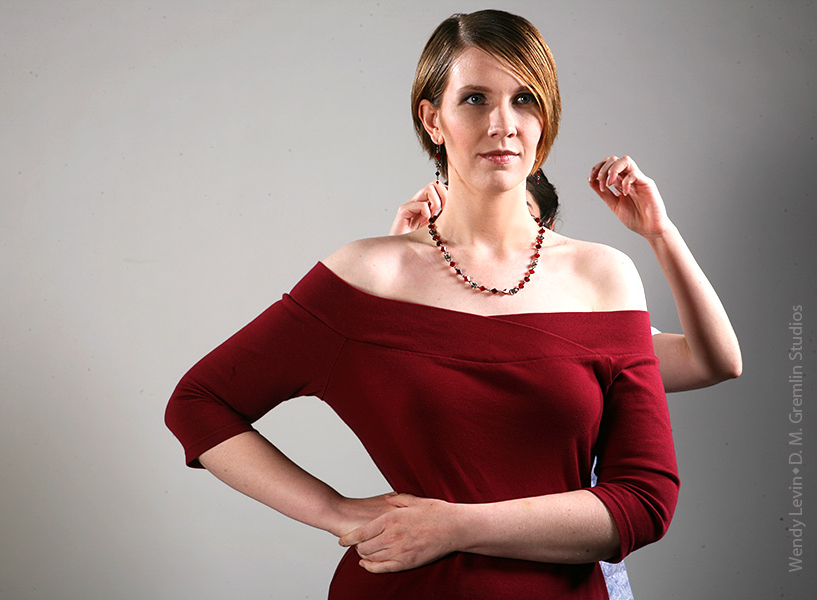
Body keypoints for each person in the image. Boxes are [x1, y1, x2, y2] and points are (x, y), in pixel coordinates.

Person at [166, 10, 680, 599]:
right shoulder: (368, 277)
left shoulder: (605, 277)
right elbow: (198, 403)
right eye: (475, 99)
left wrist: (455, 526)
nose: (503, 124)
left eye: (524, 100)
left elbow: (646, 502)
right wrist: (337, 511)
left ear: (547, 118)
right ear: (433, 119)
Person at [390, 162, 742, 599]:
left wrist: (660, 233)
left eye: (519, 217)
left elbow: (716, 361)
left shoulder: (589, 326)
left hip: (569, 570)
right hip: (436, 571)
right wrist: (397, 262)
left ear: (549, 230)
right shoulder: (427, 333)